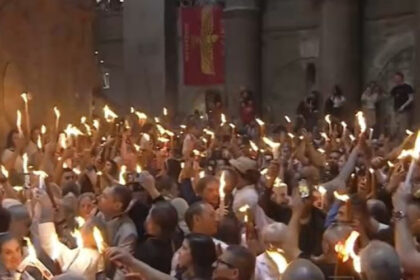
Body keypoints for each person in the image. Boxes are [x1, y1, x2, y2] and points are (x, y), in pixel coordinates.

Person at [135, 201, 178, 274]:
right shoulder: (176, 239)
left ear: (155, 227)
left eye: (149, 215)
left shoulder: (146, 250)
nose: (147, 218)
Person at [390, 72, 414, 138]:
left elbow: (411, 98)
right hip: (396, 110)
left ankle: (403, 144)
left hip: (404, 110)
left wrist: (403, 106)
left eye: (397, 78)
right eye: (395, 78)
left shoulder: (407, 87)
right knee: (394, 128)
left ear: (401, 78)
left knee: (402, 129)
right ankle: (396, 144)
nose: (396, 79)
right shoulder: (395, 88)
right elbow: (390, 97)